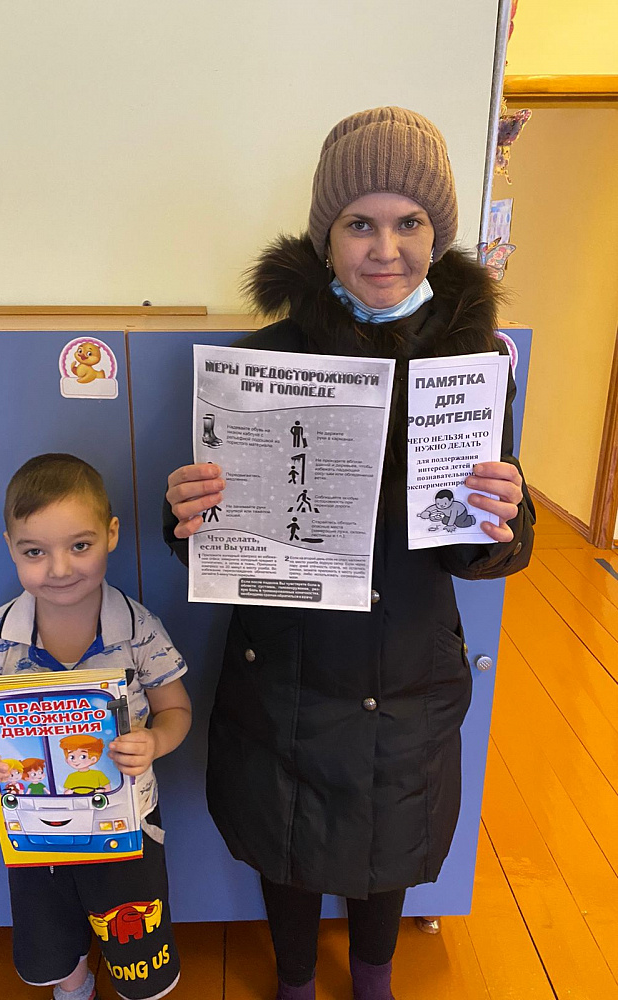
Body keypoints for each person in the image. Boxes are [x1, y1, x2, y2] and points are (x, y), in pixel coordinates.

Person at [164, 107, 534, 1000]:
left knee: (392, 830)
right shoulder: (263, 361)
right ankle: (295, 980)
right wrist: (184, 514)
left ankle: (374, 977)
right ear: (325, 234)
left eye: (410, 222)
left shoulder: (473, 366)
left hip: (407, 662)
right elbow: (216, 542)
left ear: (439, 235)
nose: (385, 249)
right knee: (285, 835)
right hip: (287, 661)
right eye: (360, 222)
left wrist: (505, 517)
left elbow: (477, 554)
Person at [0, 453, 191, 1000]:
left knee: (134, 928)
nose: (59, 569)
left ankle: (136, 984)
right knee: (48, 931)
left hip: (125, 820)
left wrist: (155, 741)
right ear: (11, 548)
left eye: (79, 546)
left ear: (111, 534)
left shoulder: (137, 629)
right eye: (34, 552)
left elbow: (177, 710)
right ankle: (73, 985)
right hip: (34, 829)